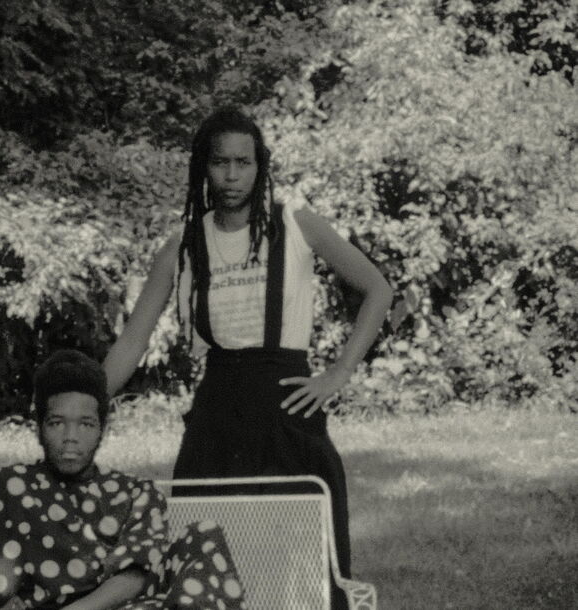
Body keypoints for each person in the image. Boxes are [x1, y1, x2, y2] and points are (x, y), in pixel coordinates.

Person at [102, 107, 393, 605]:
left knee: (301, 569)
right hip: (217, 412)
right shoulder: (183, 246)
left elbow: (378, 290)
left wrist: (338, 372)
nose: (232, 176)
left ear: (260, 167)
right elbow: (133, 340)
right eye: (220, 163)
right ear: (204, 167)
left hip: (289, 410)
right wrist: (80, 404)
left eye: (244, 162)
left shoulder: (297, 224)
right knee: (204, 560)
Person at [0, 349, 248, 610]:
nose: (70, 438)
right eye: (57, 423)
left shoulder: (134, 494)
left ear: (102, 430)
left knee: (205, 536)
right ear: (39, 427)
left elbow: (136, 574)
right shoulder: (12, 487)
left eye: (86, 424)